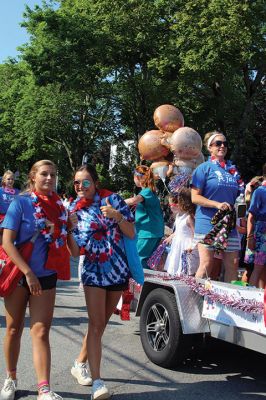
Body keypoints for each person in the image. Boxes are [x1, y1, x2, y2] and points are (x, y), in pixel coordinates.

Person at [0, 160, 70, 400]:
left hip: (46, 276)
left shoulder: (61, 207)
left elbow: (70, 246)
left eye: (53, 174)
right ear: (33, 177)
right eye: (44, 174)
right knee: (13, 329)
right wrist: (28, 273)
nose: (49, 178)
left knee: (40, 332)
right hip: (20, 274)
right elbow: (7, 242)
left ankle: (44, 389)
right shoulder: (21, 204)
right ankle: (10, 378)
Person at [67, 164, 135, 400]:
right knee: (96, 325)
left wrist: (117, 217)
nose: (80, 187)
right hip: (93, 273)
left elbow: (132, 232)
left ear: (95, 183)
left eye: (85, 182)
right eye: (76, 183)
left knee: (101, 324)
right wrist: (68, 230)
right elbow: (75, 253)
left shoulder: (113, 200)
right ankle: (97, 382)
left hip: (117, 271)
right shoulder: (74, 209)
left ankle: (79, 362)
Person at [191, 131, 242, 282]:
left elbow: (237, 197)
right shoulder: (203, 168)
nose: (222, 146)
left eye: (225, 144)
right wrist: (217, 204)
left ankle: (228, 302)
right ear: (209, 148)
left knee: (232, 264)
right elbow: (195, 197)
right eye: (218, 143)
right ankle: (195, 300)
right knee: (207, 264)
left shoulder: (232, 171)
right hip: (208, 223)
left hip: (229, 224)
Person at [125, 165, 164, 269]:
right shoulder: (150, 191)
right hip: (153, 232)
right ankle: (144, 282)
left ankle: (139, 283)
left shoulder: (146, 191)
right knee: (145, 260)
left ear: (137, 178)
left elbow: (134, 200)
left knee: (137, 259)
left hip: (148, 233)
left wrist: (117, 201)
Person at [165, 188, 198, 276]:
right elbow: (179, 230)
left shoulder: (188, 218)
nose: (171, 206)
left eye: (174, 203)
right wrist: (171, 236)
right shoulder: (178, 216)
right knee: (175, 264)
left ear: (182, 203)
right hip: (177, 244)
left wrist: (192, 246)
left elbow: (195, 233)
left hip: (185, 246)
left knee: (184, 268)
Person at [246, 164, 266, 287]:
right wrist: (250, 237)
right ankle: (252, 300)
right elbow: (251, 216)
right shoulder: (260, 191)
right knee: (257, 268)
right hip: (261, 235)